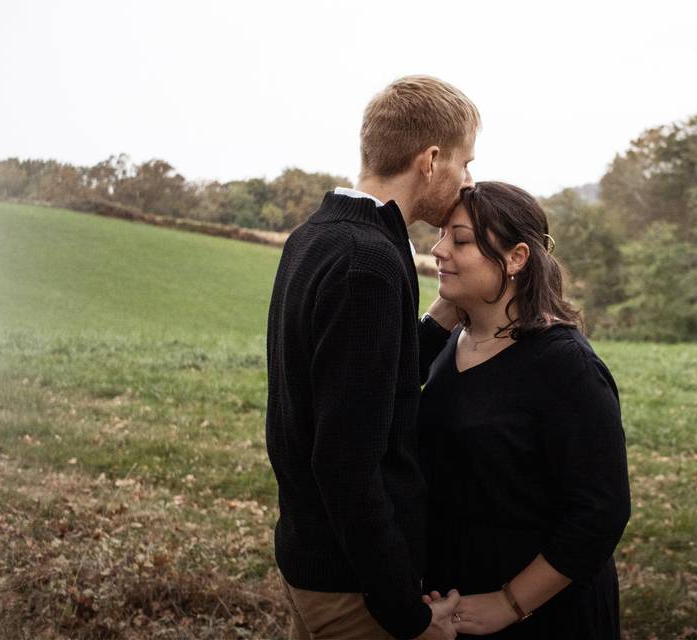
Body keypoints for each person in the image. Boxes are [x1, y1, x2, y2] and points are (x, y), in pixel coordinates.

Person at [265, 75, 478, 640]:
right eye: (465, 163)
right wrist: (405, 614)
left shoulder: (315, 236)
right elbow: (347, 466)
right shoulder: (371, 262)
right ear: (431, 160)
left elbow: (368, 384)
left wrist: (444, 314)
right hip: (351, 588)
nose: (468, 180)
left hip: (310, 555)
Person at [418, 182, 632, 639]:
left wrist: (509, 602)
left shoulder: (564, 365)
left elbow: (601, 511)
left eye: (460, 239)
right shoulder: (452, 341)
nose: (437, 250)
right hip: (455, 608)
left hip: (545, 618)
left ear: (516, 259)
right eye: (440, 235)